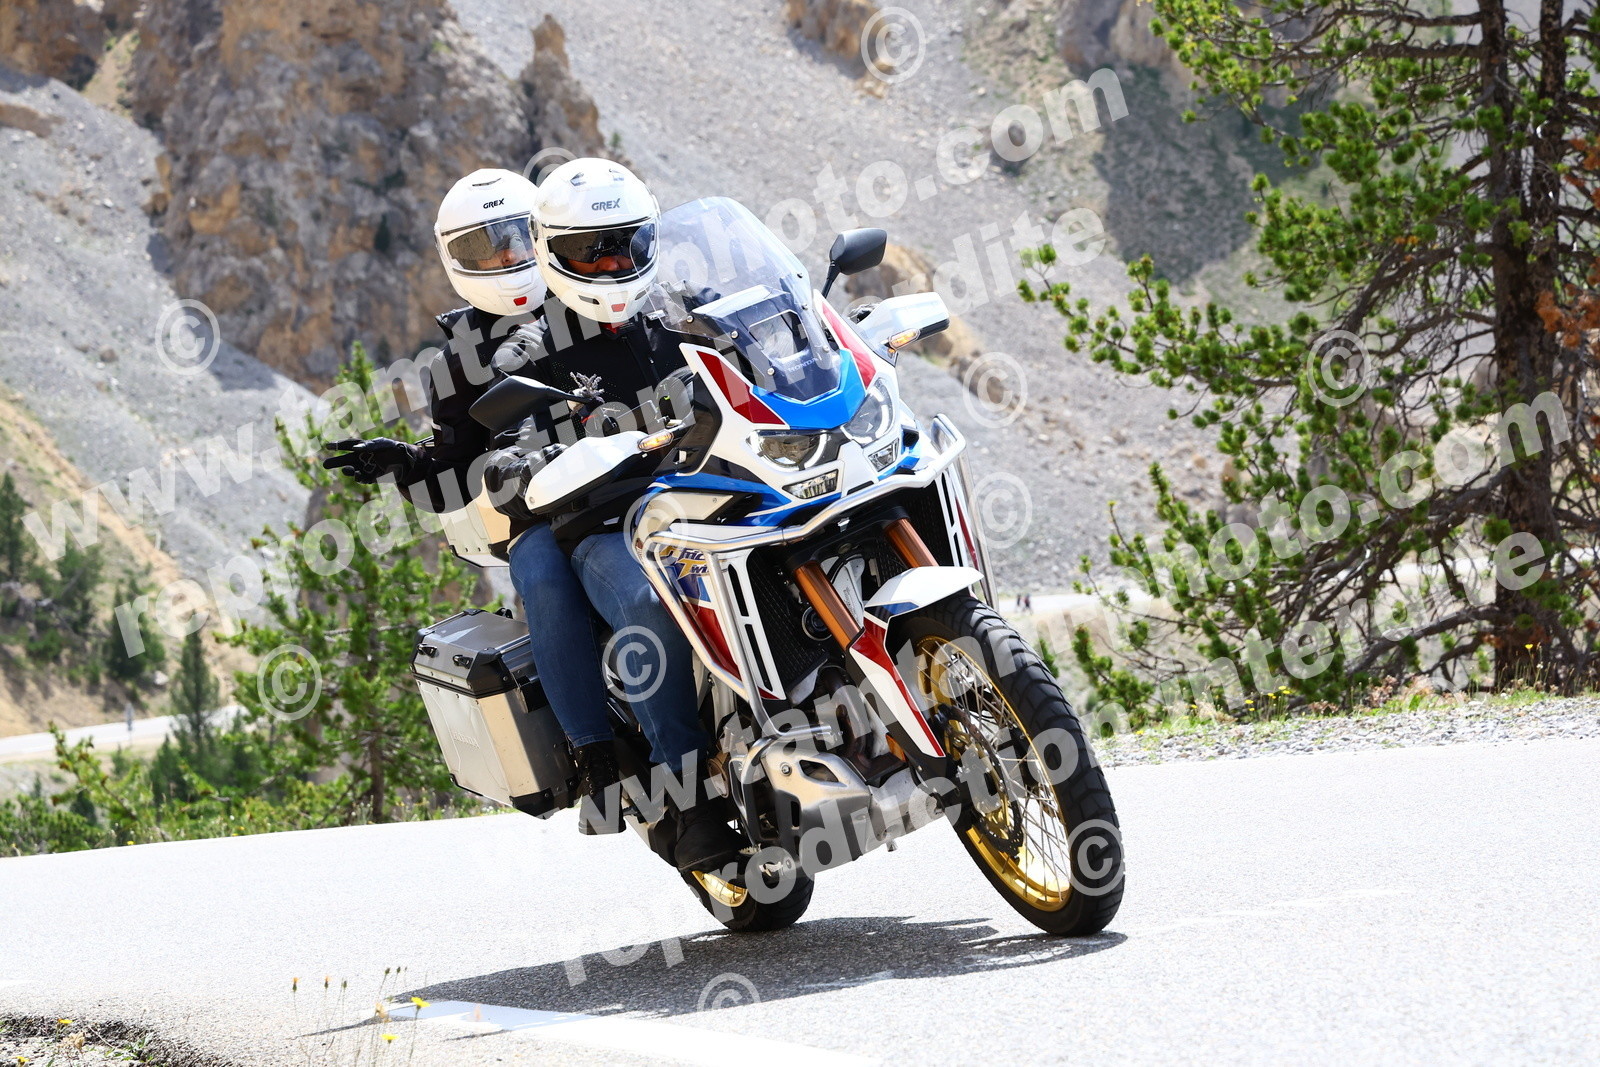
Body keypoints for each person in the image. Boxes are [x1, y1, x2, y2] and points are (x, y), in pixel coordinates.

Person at [323, 160, 744, 875]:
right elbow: (457, 465)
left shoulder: (620, 297)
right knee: (548, 575)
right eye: (484, 248)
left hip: (654, 481)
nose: (506, 259)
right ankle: (597, 755)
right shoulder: (468, 355)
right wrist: (406, 463)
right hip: (544, 502)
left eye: (517, 237)